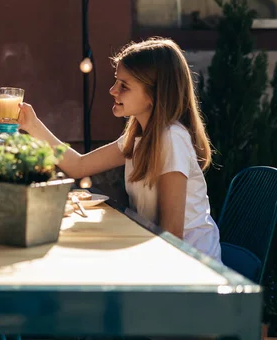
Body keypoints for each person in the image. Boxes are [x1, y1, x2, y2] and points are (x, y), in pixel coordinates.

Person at [18, 37, 221, 260]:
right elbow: (78, 166)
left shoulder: (171, 138)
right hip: (159, 251)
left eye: (124, 86)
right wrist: (32, 125)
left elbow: (172, 234)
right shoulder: (139, 136)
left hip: (192, 268)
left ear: (154, 94)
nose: (113, 90)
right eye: (116, 81)